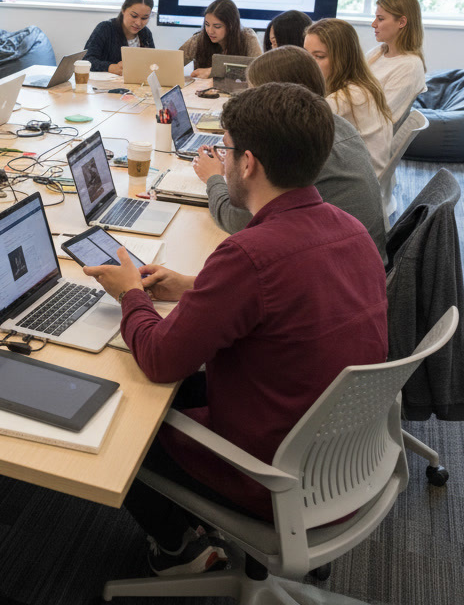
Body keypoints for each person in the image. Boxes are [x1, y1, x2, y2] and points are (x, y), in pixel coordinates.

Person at [84, 83, 387, 575]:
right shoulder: (350, 229)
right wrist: (192, 287)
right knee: (183, 386)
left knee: (124, 414)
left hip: (271, 478)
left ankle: (179, 549)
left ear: (248, 164)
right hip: (343, 458)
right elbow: (285, 299)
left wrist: (130, 294)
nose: (221, 162)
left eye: (224, 150)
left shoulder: (250, 253)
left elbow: (159, 358)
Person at [191, 46, 386, 255]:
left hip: (336, 264)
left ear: (278, 100)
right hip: (359, 256)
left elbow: (240, 221)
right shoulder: (334, 123)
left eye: (254, 92)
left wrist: (213, 177)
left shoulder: (296, 147)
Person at [303, 18, 393, 177]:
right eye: (306, 55)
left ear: (342, 58)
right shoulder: (363, 84)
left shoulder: (347, 97)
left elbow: (300, 132)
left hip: (358, 182)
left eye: (319, 56)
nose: (309, 63)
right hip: (364, 175)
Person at [368, 0, 427, 121]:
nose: (373, 24)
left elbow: (379, 117)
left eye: (380, 19)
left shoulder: (409, 66)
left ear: (401, 22)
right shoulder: (377, 52)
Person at [179, 0, 263, 78]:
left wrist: (214, 71)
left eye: (217, 26)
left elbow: (259, 71)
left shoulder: (248, 38)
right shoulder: (199, 39)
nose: (210, 31)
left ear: (231, 26)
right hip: (203, 88)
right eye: (207, 24)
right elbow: (174, 62)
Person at [83, 0, 156, 75]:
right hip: (106, 82)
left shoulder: (146, 33)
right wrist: (110, 67)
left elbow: (152, 63)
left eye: (144, 18)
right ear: (123, 10)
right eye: (134, 16)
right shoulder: (105, 28)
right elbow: (86, 60)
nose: (138, 23)